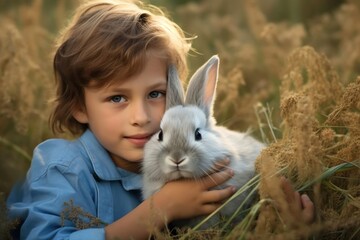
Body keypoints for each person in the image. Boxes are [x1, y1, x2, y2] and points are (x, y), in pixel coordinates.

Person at [6, 0, 314, 239]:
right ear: (79, 107)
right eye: (117, 98)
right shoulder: (62, 168)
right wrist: (161, 208)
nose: (141, 118)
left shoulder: (198, 162)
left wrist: (280, 223)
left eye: (155, 94)